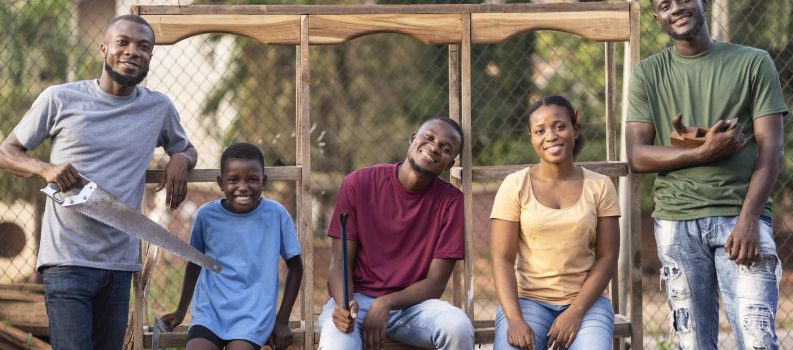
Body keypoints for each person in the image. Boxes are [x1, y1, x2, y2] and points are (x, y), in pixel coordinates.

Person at [0, 15, 197, 349]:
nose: (133, 52)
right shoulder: (60, 98)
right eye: (123, 42)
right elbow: (6, 152)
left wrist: (181, 158)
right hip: (67, 261)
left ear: (150, 57)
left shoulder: (158, 107)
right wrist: (44, 169)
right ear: (104, 48)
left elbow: (186, 148)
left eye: (144, 47)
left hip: (120, 264)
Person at [626, 1, 788, 348]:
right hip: (676, 221)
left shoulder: (753, 62)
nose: (676, 9)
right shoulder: (647, 73)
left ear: (703, 2)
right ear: (657, 19)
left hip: (739, 217)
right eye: (664, 5)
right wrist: (703, 151)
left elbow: (772, 150)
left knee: (758, 339)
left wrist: (749, 218)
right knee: (693, 343)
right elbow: (637, 155)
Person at [317, 117, 474, 350]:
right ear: (413, 138)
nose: (434, 147)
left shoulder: (451, 201)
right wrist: (343, 305)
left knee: (458, 327)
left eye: (445, 148)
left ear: (449, 164)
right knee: (337, 343)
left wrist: (387, 302)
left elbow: (436, 281)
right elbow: (339, 264)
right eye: (428, 137)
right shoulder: (358, 183)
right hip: (355, 302)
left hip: (412, 307)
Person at [491, 96, 620, 350]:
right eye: (540, 131)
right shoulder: (515, 185)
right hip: (528, 301)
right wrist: (514, 319)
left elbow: (607, 257)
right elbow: (502, 259)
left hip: (587, 301)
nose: (550, 136)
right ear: (532, 138)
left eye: (559, 126)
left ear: (576, 129)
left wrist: (576, 311)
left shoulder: (600, 185)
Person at [160, 143, 303, 350]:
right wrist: (181, 311)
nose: (243, 187)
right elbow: (194, 264)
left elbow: (296, 266)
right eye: (233, 180)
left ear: (263, 181)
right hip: (210, 312)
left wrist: (281, 321)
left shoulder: (276, 215)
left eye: (252, 179)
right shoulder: (206, 216)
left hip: (253, 314)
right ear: (221, 183)